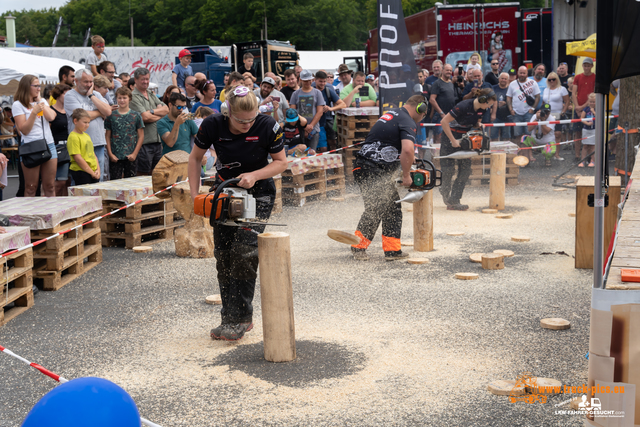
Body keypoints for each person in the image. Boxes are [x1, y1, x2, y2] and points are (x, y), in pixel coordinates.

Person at [188, 85, 287, 341]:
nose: (247, 125)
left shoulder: (267, 126)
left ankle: (242, 317)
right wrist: (195, 194)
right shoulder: (212, 125)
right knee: (224, 254)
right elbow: (195, 158)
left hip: (259, 191)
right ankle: (228, 316)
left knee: (244, 251)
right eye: (241, 121)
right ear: (227, 112)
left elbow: (281, 162)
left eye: (251, 119)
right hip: (225, 190)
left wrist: (254, 175)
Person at [350, 95, 426, 262]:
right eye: (423, 114)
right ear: (420, 108)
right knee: (376, 208)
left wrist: (408, 158)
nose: (422, 118)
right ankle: (358, 247)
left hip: (366, 166)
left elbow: (391, 144)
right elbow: (407, 149)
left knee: (390, 209)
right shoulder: (408, 121)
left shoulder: (393, 113)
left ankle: (392, 250)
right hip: (372, 168)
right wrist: (406, 176)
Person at [440, 88, 496, 210]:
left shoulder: (481, 110)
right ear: (482, 99)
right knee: (448, 170)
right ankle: (444, 190)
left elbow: (476, 123)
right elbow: (444, 122)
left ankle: (454, 200)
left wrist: (479, 125)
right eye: (489, 104)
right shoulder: (463, 106)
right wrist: (453, 140)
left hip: (465, 138)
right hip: (449, 136)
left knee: (465, 170)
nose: (488, 107)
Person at [12, 75, 58, 197]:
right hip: (31, 147)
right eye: (36, 86)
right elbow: (24, 130)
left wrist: (39, 101)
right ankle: (30, 215)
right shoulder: (18, 105)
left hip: (48, 145)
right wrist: (33, 112)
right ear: (27, 87)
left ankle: (51, 213)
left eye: (39, 86)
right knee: (31, 187)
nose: (39, 88)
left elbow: (52, 117)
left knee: (50, 185)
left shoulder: (41, 101)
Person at [65, 69, 112, 181]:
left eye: (91, 82)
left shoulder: (95, 94)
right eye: (86, 82)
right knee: (82, 180)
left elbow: (108, 111)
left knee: (98, 179)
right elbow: (81, 116)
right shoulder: (70, 95)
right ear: (76, 81)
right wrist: (99, 112)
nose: (89, 84)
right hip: (81, 145)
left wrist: (91, 96)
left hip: (98, 142)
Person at [130, 67, 169, 175]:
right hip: (144, 144)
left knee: (156, 175)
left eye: (147, 79)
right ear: (136, 80)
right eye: (143, 79)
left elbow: (166, 109)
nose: (146, 82)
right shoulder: (133, 96)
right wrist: (159, 113)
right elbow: (144, 117)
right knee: (142, 175)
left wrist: (150, 111)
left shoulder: (151, 94)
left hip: (157, 142)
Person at [105, 87, 145, 179]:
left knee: (131, 182)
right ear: (116, 99)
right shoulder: (111, 116)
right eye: (119, 98)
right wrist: (110, 154)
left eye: (124, 98)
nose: (122, 100)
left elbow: (141, 136)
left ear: (129, 99)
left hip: (130, 155)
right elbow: (107, 136)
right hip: (115, 156)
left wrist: (134, 154)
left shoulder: (136, 115)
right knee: (115, 182)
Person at [290, 70, 326, 150]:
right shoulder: (295, 94)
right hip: (299, 129)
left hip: (314, 129)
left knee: (311, 153)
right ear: (300, 80)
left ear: (312, 80)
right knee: (299, 153)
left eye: (309, 80)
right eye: (305, 81)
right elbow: (293, 111)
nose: (307, 82)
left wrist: (311, 126)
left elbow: (320, 112)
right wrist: (304, 126)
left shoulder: (317, 93)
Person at [507, 66, 540, 150]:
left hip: (528, 113)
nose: (522, 74)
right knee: (517, 134)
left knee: (528, 134)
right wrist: (511, 109)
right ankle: (519, 152)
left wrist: (533, 108)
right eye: (520, 73)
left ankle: (529, 155)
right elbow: (509, 97)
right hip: (516, 113)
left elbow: (537, 96)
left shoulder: (533, 83)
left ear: (527, 74)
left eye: (524, 73)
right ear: (518, 73)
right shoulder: (512, 84)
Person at [49, 83, 73, 196]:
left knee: (69, 182)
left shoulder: (71, 110)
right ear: (58, 95)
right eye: (65, 93)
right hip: (58, 147)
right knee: (60, 182)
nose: (68, 96)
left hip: (72, 147)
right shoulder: (51, 111)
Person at [314, 71, 345, 151]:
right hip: (315, 121)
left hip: (327, 119)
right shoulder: (311, 91)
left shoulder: (328, 90)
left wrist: (330, 109)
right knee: (319, 146)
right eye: (320, 81)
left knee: (332, 142)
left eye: (324, 81)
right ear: (315, 80)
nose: (323, 83)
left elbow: (342, 104)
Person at [572, 57, 595, 161]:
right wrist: (577, 107)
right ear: (583, 66)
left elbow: (593, 95)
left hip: (590, 107)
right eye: (585, 65)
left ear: (591, 66)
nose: (586, 67)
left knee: (590, 132)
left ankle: (589, 156)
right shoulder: (577, 77)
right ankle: (577, 155)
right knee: (577, 132)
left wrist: (581, 107)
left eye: (588, 65)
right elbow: (573, 93)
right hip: (579, 106)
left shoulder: (595, 77)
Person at [541, 71, 569, 160]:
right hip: (547, 114)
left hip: (557, 114)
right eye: (549, 80)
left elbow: (567, 101)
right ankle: (548, 153)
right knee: (547, 134)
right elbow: (544, 102)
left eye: (553, 79)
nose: (551, 81)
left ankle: (557, 154)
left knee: (557, 134)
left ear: (557, 80)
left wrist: (563, 111)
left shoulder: (562, 89)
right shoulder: (546, 90)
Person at [68, 108, 100, 185]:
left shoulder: (86, 136)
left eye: (88, 122)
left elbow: (93, 154)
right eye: (85, 122)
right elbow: (78, 158)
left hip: (92, 171)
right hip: (81, 171)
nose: (87, 125)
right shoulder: (73, 137)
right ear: (75, 121)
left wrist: (98, 170)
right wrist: (91, 173)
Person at [429, 64, 456, 146]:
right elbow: (432, 100)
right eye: (447, 70)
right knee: (438, 138)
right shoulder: (437, 83)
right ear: (443, 70)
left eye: (450, 70)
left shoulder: (451, 83)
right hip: (440, 115)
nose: (449, 72)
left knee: (449, 137)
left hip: (450, 114)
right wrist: (441, 113)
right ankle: (436, 158)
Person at [490, 72, 512, 142]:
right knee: (493, 136)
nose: (503, 80)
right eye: (502, 78)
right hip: (495, 116)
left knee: (506, 137)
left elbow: (514, 101)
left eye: (505, 79)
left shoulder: (510, 89)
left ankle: (506, 151)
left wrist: (506, 103)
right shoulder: (493, 88)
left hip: (506, 116)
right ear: (499, 79)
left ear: (508, 80)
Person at [580, 93, 597, 167]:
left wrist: (593, 111)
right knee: (585, 146)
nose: (592, 103)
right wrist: (586, 123)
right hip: (586, 129)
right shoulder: (586, 109)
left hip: (594, 129)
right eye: (591, 101)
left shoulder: (598, 109)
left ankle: (592, 161)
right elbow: (581, 118)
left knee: (593, 146)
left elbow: (599, 117)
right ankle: (582, 161)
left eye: (594, 101)